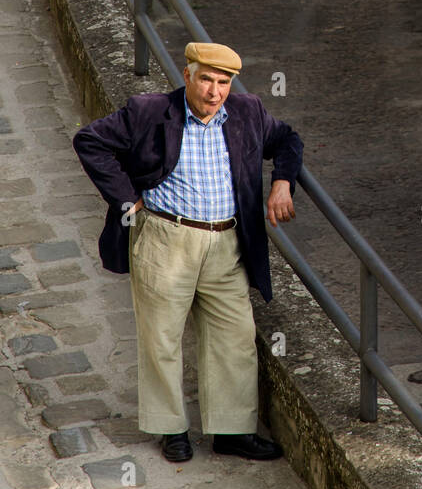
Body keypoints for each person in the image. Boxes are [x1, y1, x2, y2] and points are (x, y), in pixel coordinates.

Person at [72, 42, 303, 463]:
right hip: (166, 238)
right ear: (188, 75)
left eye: (223, 82)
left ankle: (231, 431)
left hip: (227, 243)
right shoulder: (148, 110)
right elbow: (90, 141)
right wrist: (126, 200)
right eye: (207, 80)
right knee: (161, 336)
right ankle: (171, 428)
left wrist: (283, 181)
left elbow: (288, 139)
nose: (214, 91)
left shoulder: (248, 111)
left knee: (234, 338)